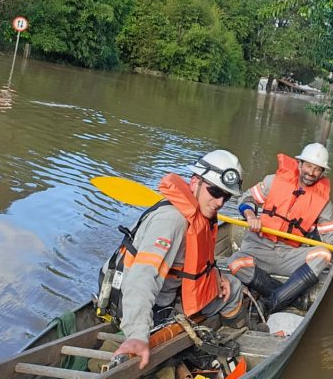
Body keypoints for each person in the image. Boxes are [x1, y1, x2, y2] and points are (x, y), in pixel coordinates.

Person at [96, 150, 246, 369]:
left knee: (227, 282)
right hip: (143, 307)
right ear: (194, 182)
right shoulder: (172, 220)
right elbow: (142, 277)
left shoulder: (197, 214)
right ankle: (241, 337)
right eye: (214, 191)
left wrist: (215, 275)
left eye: (226, 196)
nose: (219, 202)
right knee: (235, 287)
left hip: (165, 295)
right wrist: (137, 334)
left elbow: (193, 262)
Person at [227, 143, 333, 314]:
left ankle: (269, 304)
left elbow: (331, 235)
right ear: (299, 164)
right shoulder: (272, 181)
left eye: (317, 169)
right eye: (309, 166)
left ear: (322, 173)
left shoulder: (324, 203)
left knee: (323, 255)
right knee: (234, 262)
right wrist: (251, 216)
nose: (311, 173)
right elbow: (246, 199)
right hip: (259, 246)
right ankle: (296, 300)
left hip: (288, 253)